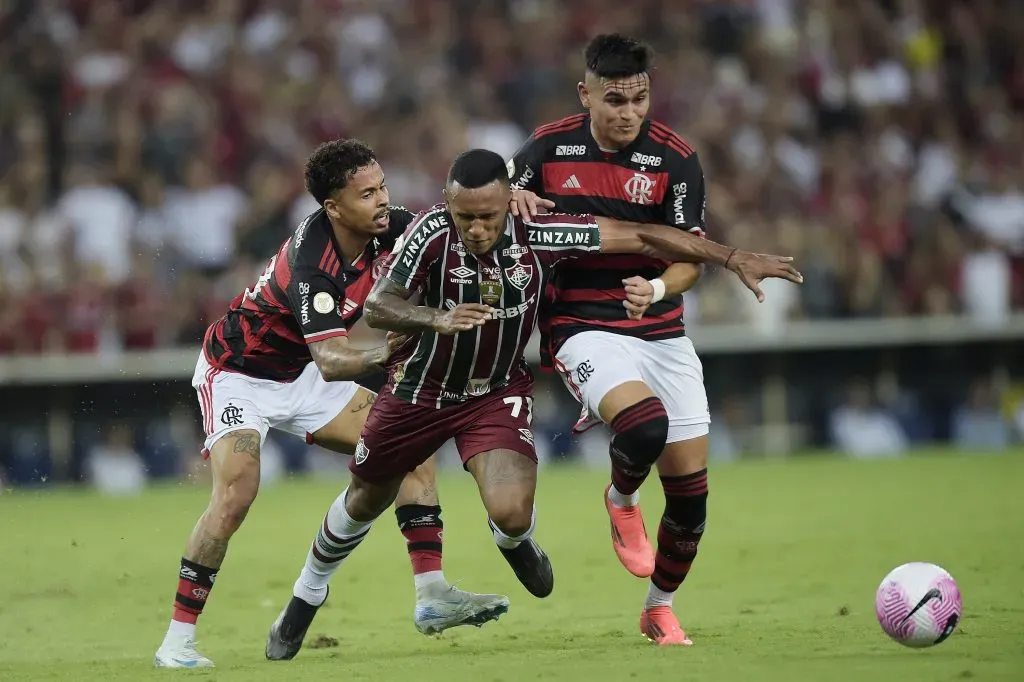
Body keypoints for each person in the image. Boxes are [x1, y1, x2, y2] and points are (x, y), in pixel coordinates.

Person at [265, 148, 802, 659]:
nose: (475, 229)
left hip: (494, 394)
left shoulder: (542, 234)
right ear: (447, 205)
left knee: (513, 511)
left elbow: (640, 234)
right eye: (463, 217)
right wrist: (435, 318)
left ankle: (513, 539)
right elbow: (380, 304)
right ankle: (305, 597)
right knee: (364, 499)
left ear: (507, 202)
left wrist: (731, 257)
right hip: (418, 390)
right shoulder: (427, 233)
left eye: (487, 217)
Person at [154, 140, 508, 669]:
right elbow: (331, 359)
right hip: (240, 375)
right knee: (236, 494)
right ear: (333, 207)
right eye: (367, 194)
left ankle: (431, 594)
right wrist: (401, 340)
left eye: (382, 186)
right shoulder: (312, 262)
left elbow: (453, 221)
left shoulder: (389, 226)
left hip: (300, 373)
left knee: (410, 453)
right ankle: (176, 642)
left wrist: (517, 199)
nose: (383, 200)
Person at [505, 33, 742, 645]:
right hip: (580, 323)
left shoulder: (676, 159)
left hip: (660, 329)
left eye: (639, 98)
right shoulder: (545, 149)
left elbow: (689, 258)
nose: (629, 111)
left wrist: (660, 290)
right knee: (643, 426)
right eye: (615, 99)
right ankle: (620, 497)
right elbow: (495, 212)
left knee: (691, 499)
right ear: (585, 94)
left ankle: (658, 608)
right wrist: (511, 195)